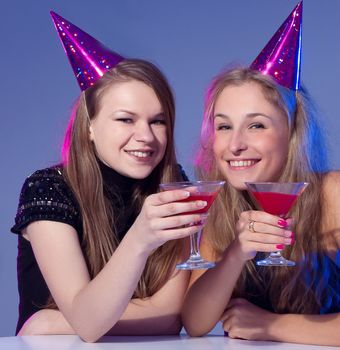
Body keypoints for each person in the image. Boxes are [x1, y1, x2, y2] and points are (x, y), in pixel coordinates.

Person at [182, 2, 340, 348]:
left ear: (292, 133)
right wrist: (235, 253)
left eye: (256, 125)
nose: (235, 144)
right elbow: (196, 323)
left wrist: (271, 326)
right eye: (224, 127)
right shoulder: (222, 202)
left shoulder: (333, 193)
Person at [11, 12, 206, 342]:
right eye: (126, 120)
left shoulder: (175, 186)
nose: (145, 136)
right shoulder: (48, 189)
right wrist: (140, 237)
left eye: (157, 121)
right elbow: (89, 326)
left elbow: (172, 318)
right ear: (90, 126)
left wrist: (56, 321)